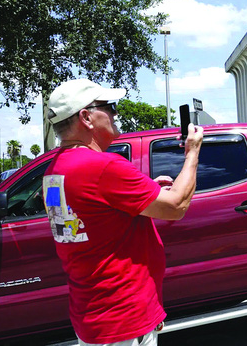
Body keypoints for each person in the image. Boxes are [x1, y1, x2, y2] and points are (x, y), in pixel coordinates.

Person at [43, 79, 203, 346]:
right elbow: (176, 206)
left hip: (94, 316)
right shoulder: (102, 166)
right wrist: (193, 152)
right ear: (86, 117)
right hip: (123, 320)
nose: (116, 113)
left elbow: (86, 219)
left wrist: (147, 190)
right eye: (109, 106)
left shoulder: (54, 171)